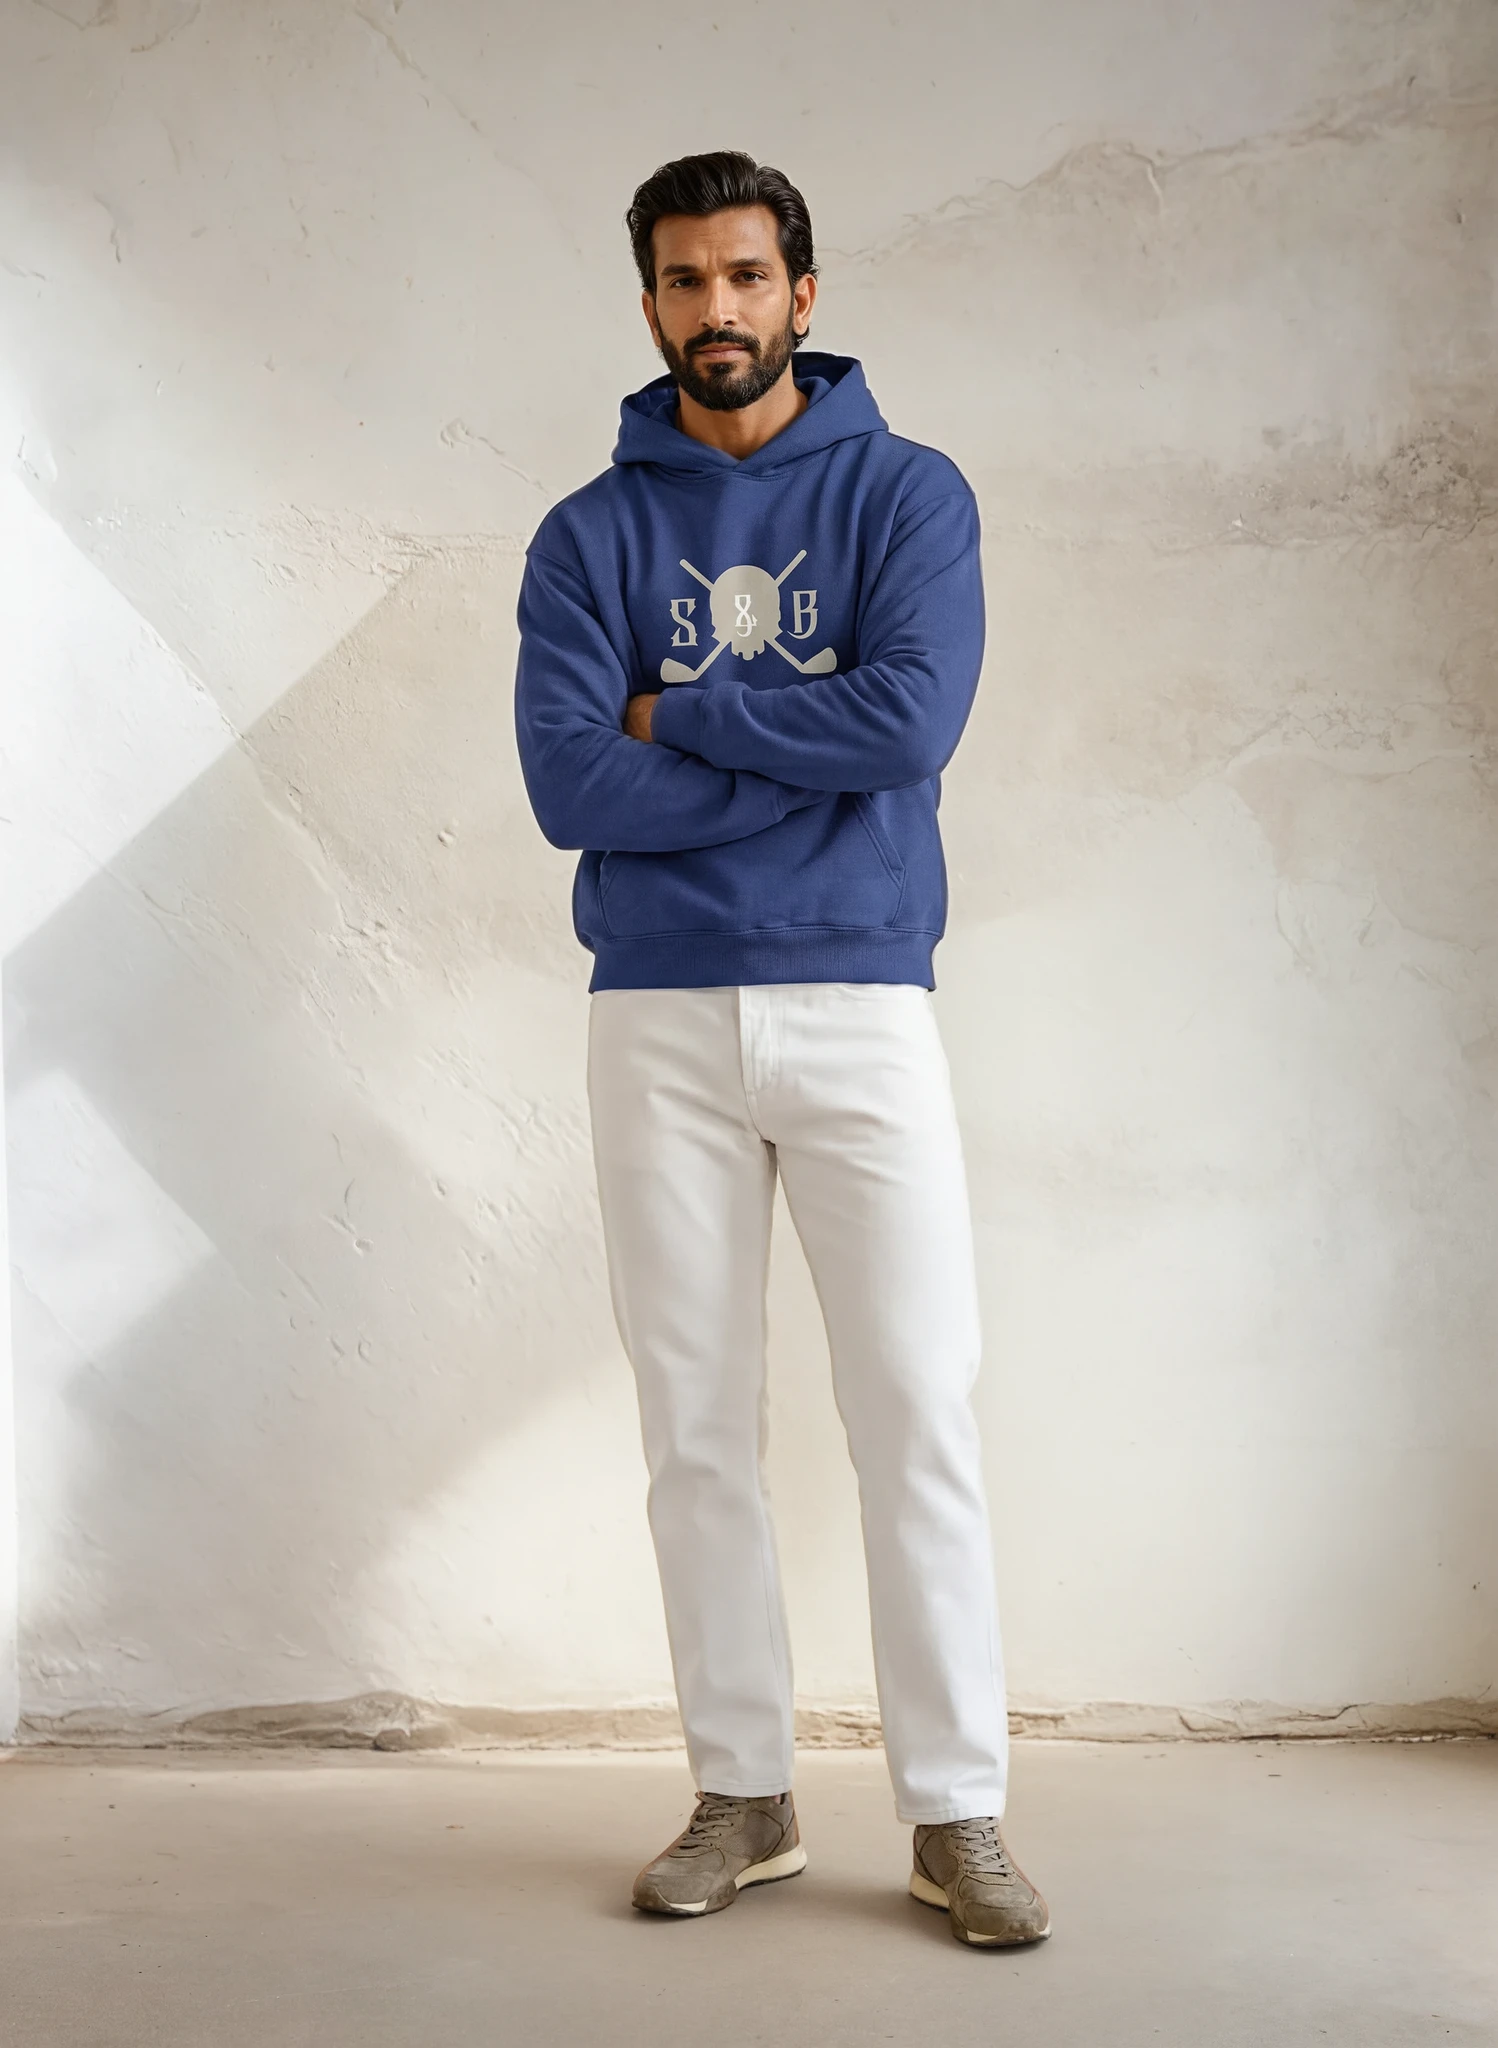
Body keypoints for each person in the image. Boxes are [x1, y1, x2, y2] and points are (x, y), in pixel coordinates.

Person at [513, 150, 1048, 1949]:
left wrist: (677, 716)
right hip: (655, 1012)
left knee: (916, 1408)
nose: (716, 310)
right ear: (649, 302)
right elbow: (567, 782)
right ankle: (741, 1796)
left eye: (745, 277)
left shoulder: (907, 493)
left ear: (801, 295)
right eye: (684, 280)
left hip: (860, 997)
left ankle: (955, 1814)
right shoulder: (587, 534)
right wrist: (789, 749)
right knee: (693, 1428)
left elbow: (907, 724)